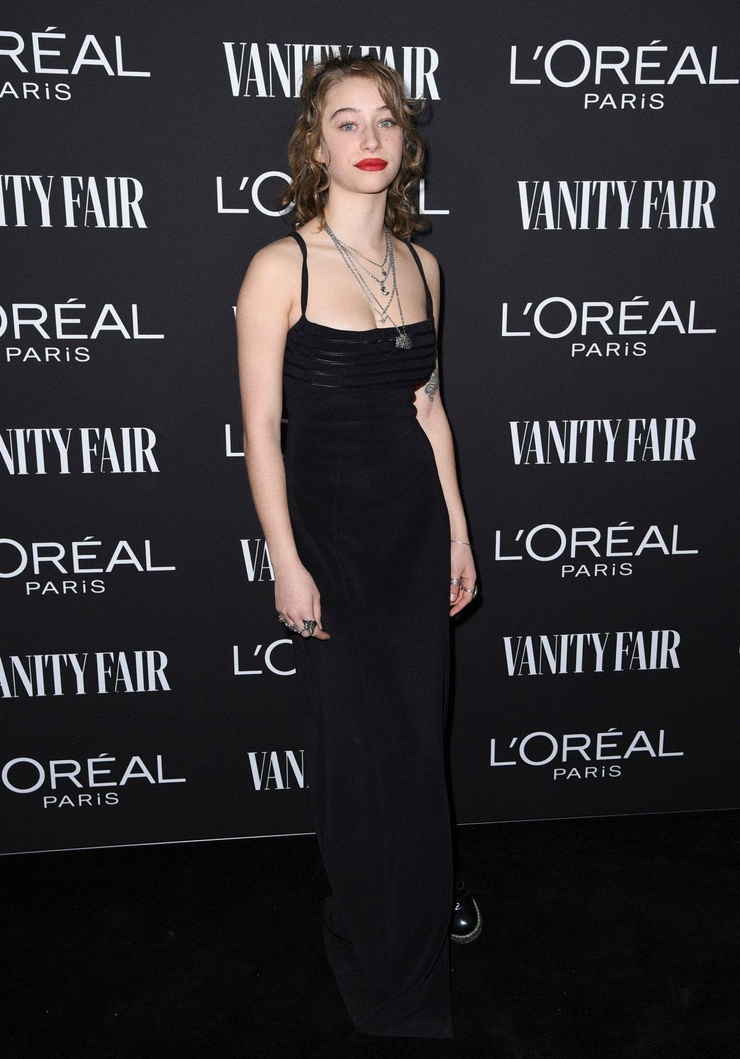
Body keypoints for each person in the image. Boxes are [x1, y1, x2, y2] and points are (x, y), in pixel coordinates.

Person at [236, 55, 477, 1039]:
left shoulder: (424, 267)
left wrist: (458, 530)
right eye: (346, 122)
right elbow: (261, 429)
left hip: (415, 538)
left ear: (405, 142)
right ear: (314, 145)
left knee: (416, 743)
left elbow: (430, 409)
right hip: (333, 545)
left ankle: (421, 902)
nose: (369, 139)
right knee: (357, 758)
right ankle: (381, 943)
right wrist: (285, 560)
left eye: (385, 120)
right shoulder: (280, 266)